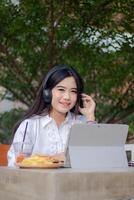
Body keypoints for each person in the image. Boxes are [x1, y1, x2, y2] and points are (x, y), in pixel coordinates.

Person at [7, 64, 96, 166]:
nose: (67, 97)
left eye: (73, 91)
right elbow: (14, 164)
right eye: (61, 89)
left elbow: (94, 159)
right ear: (47, 93)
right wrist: (53, 160)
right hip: (38, 181)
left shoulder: (82, 123)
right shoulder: (30, 125)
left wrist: (90, 117)